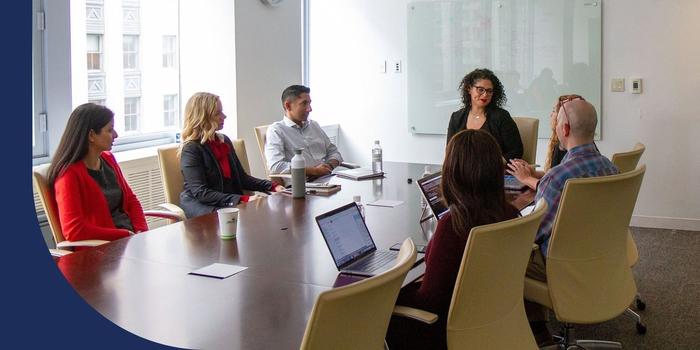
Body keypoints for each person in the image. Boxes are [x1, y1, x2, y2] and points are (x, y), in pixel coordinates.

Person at [386, 129, 520, 349]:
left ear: (453, 171)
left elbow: (430, 300)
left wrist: (390, 295)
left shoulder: (454, 225)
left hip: (442, 330)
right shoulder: (509, 214)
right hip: (490, 319)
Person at [524, 96, 618, 345]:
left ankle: (534, 331)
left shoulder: (557, 178)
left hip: (561, 267)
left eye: (557, 124)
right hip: (601, 258)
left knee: (508, 257)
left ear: (564, 129)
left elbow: (533, 236)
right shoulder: (611, 169)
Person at [48, 103, 148, 242]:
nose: (116, 135)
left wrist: (141, 232)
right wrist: (126, 235)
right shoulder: (68, 175)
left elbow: (131, 200)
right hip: (101, 250)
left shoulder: (108, 159)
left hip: (128, 241)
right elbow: (75, 231)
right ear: (91, 135)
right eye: (109, 130)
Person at [179, 92, 285, 218]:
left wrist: (273, 186)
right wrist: (242, 199)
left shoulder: (223, 141)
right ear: (203, 117)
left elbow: (242, 178)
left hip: (227, 204)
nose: (224, 116)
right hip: (204, 208)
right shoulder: (191, 149)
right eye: (218, 113)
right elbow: (202, 193)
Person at [506, 94, 582, 190]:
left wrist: (526, 178)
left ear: (562, 118)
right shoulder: (587, 150)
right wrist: (532, 172)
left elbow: (552, 189)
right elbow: (556, 176)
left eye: (554, 111)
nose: (551, 115)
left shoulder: (564, 147)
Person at [265, 85, 343, 177]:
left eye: (309, 103)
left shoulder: (314, 125)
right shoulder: (277, 130)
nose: (310, 109)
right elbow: (275, 166)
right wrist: (314, 171)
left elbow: (334, 152)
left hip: (327, 179)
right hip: (302, 185)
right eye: (304, 103)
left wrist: (329, 166)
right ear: (288, 106)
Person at [447, 68, 523, 160]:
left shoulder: (501, 117)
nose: (485, 95)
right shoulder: (456, 118)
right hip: (464, 170)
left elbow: (516, 151)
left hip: (493, 170)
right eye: (480, 89)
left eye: (489, 91)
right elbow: (450, 151)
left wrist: (494, 164)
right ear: (469, 89)